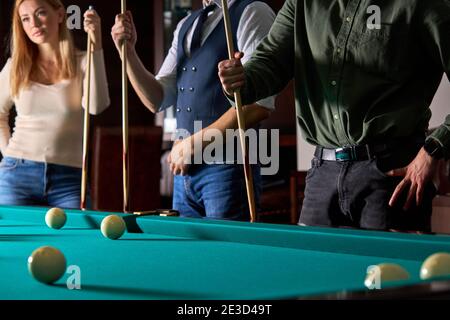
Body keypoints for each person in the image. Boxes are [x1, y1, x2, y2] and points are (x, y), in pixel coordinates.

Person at [218, 0, 450, 232]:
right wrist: (241, 80)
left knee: (384, 269)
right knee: (312, 266)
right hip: (323, 172)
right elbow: (269, 62)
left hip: (392, 174)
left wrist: (434, 149)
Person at [111, 0, 275, 220]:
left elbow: (258, 104)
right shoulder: (185, 24)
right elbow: (157, 99)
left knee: (224, 254)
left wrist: (192, 144)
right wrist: (128, 53)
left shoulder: (253, 11)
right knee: (188, 254)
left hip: (228, 170)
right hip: (184, 174)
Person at [0, 0, 110, 209]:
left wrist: (96, 43)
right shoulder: (16, 65)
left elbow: (97, 106)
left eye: (40, 13)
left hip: (69, 178)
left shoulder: (84, 61)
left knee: (79, 239)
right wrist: (10, 157)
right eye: (25, 19)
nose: (33, 23)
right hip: (17, 176)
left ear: (60, 14)